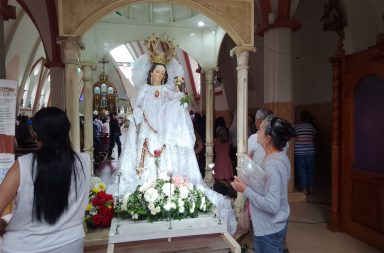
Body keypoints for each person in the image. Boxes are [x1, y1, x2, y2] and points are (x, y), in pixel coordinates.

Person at [108, 36, 236, 234]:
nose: (159, 75)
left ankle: (168, 185)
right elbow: (138, 110)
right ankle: (147, 188)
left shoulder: (167, 91)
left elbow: (176, 102)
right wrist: (139, 117)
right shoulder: (144, 91)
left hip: (164, 133)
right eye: (157, 71)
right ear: (151, 73)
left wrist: (180, 97)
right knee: (146, 162)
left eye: (162, 72)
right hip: (148, 134)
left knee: (166, 159)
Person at [0, 107, 91, 253]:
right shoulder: (84, 161)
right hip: (70, 244)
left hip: (22, 246)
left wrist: (3, 224)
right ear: (67, 130)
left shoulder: (23, 165)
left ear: (35, 134)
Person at [232, 116, 296, 253]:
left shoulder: (272, 165)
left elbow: (272, 206)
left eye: (260, 131)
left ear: (268, 138)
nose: (257, 134)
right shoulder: (280, 156)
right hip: (275, 224)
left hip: (268, 229)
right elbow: (266, 184)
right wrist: (250, 166)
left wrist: (245, 189)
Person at [294, 110, 316, 194]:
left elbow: (294, 138)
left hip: (299, 152)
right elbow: (314, 136)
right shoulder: (311, 127)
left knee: (302, 170)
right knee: (310, 169)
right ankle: (310, 188)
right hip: (310, 152)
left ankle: (304, 189)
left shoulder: (297, 127)